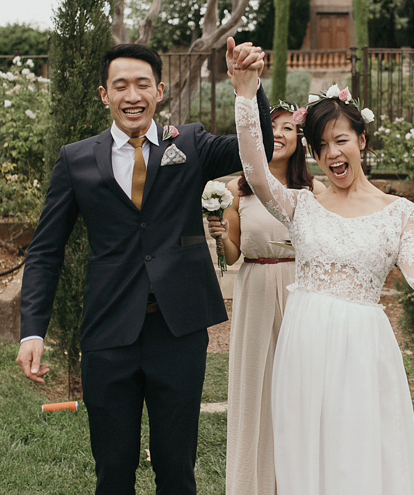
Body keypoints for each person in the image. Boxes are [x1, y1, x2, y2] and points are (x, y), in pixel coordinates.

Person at [229, 67, 414, 495]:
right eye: (321, 145)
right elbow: (255, 172)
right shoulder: (301, 204)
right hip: (304, 344)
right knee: (304, 450)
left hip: (362, 349)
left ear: (362, 140)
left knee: (356, 454)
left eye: (341, 140)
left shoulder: (399, 212)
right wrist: (243, 94)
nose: (332, 154)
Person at [15, 39, 273, 495]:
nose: (131, 95)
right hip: (108, 333)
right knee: (112, 472)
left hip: (178, 332)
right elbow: (45, 250)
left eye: (141, 85)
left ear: (159, 90)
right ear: (104, 95)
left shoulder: (189, 143)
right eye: (120, 86)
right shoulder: (75, 160)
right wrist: (32, 330)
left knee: (177, 469)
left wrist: (248, 91)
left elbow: (261, 150)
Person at [206, 103, 325, 495]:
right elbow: (233, 255)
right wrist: (219, 233)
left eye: (288, 128)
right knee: (256, 385)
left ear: (299, 139)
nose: (279, 134)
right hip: (256, 284)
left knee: (301, 386)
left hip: (301, 288)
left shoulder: (314, 190)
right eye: (270, 126)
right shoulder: (238, 190)